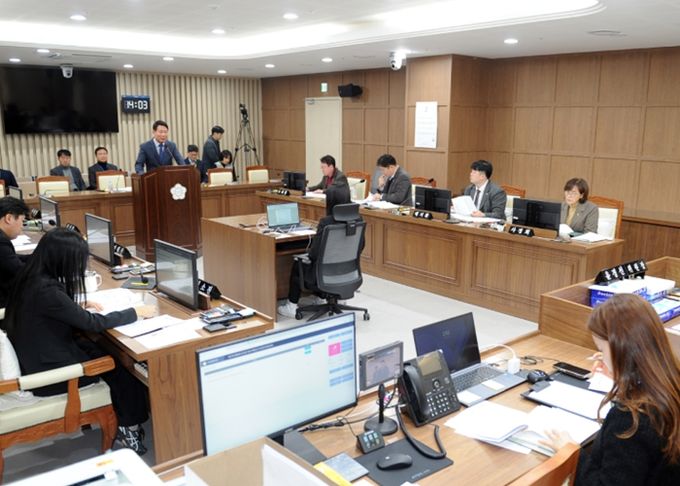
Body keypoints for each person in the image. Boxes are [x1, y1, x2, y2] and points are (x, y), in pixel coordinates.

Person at [2, 228, 157, 455]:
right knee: (123, 372)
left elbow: (50, 309)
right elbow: (92, 323)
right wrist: (135, 312)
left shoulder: (30, 277)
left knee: (102, 348)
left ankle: (129, 419)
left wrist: (73, 307)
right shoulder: (47, 291)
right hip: (51, 374)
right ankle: (130, 429)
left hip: (39, 354)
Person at [543, 294, 680, 485]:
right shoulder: (671, 380)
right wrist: (623, 374)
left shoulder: (630, 420)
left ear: (621, 349)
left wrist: (571, 452)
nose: (600, 355)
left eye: (602, 349)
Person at [277, 185, 358, 318]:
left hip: (324, 275)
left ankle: (291, 306)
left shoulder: (326, 222)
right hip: (347, 272)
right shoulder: (358, 219)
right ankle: (321, 297)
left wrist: (307, 254)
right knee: (321, 262)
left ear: (330, 202)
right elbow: (360, 246)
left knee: (299, 263)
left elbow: (314, 253)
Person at [0, 196, 29, 309]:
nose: (22, 226)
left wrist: (39, 256)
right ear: (9, 218)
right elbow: (21, 272)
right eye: (22, 221)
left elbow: (12, 258)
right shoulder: (1, 242)